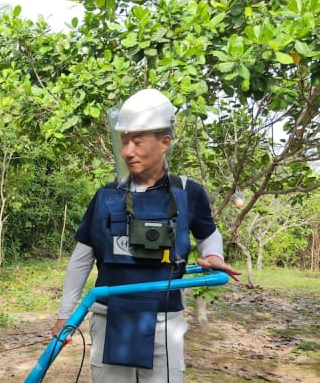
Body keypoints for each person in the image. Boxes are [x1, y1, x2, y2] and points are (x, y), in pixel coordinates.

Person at [51, 88, 241, 382]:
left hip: (165, 321)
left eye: (138, 142)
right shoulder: (106, 196)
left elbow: (208, 235)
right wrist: (65, 315)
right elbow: (81, 258)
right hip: (108, 315)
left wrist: (213, 255)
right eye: (124, 141)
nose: (128, 151)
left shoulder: (188, 192)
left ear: (164, 142)